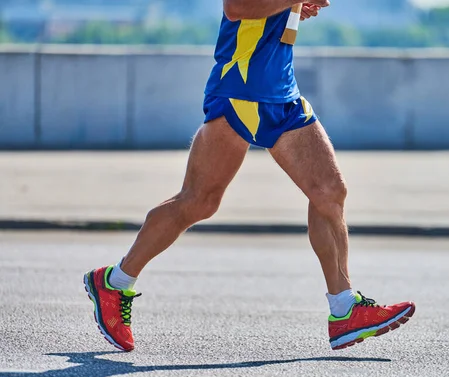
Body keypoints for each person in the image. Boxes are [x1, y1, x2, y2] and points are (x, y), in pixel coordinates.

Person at [83, 0, 415, 352]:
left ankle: (344, 307)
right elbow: (237, 7)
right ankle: (116, 281)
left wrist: (296, 7)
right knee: (199, 200)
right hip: (239, 89)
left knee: (329, 192)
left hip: (282, 96)